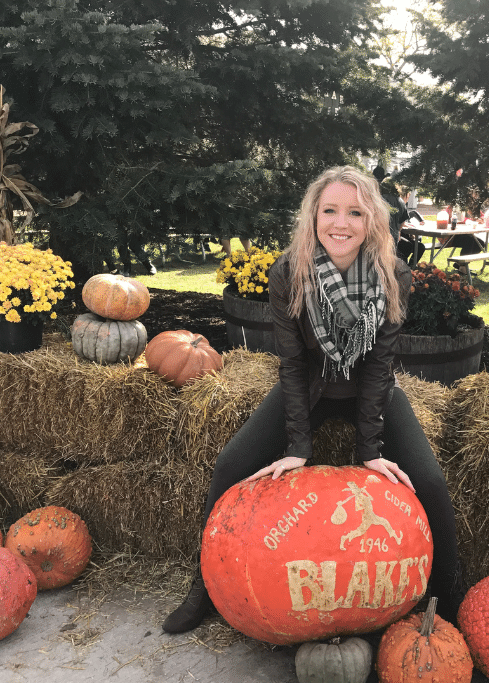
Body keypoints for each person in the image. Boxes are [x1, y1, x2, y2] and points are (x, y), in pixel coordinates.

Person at [161, 165, 464, 634]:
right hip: (309, 386)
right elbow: (292, 363)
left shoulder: (392, 274)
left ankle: (449, 603)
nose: (340, 223)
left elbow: (380, 365)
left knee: (431, 484)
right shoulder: (289, 272)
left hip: (372, 387)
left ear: (372, 222)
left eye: (355, 212)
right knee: (228, 464)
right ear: (313, 216)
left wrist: (370, 451)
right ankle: (202, 589)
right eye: (330, 211)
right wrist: (297, 446)